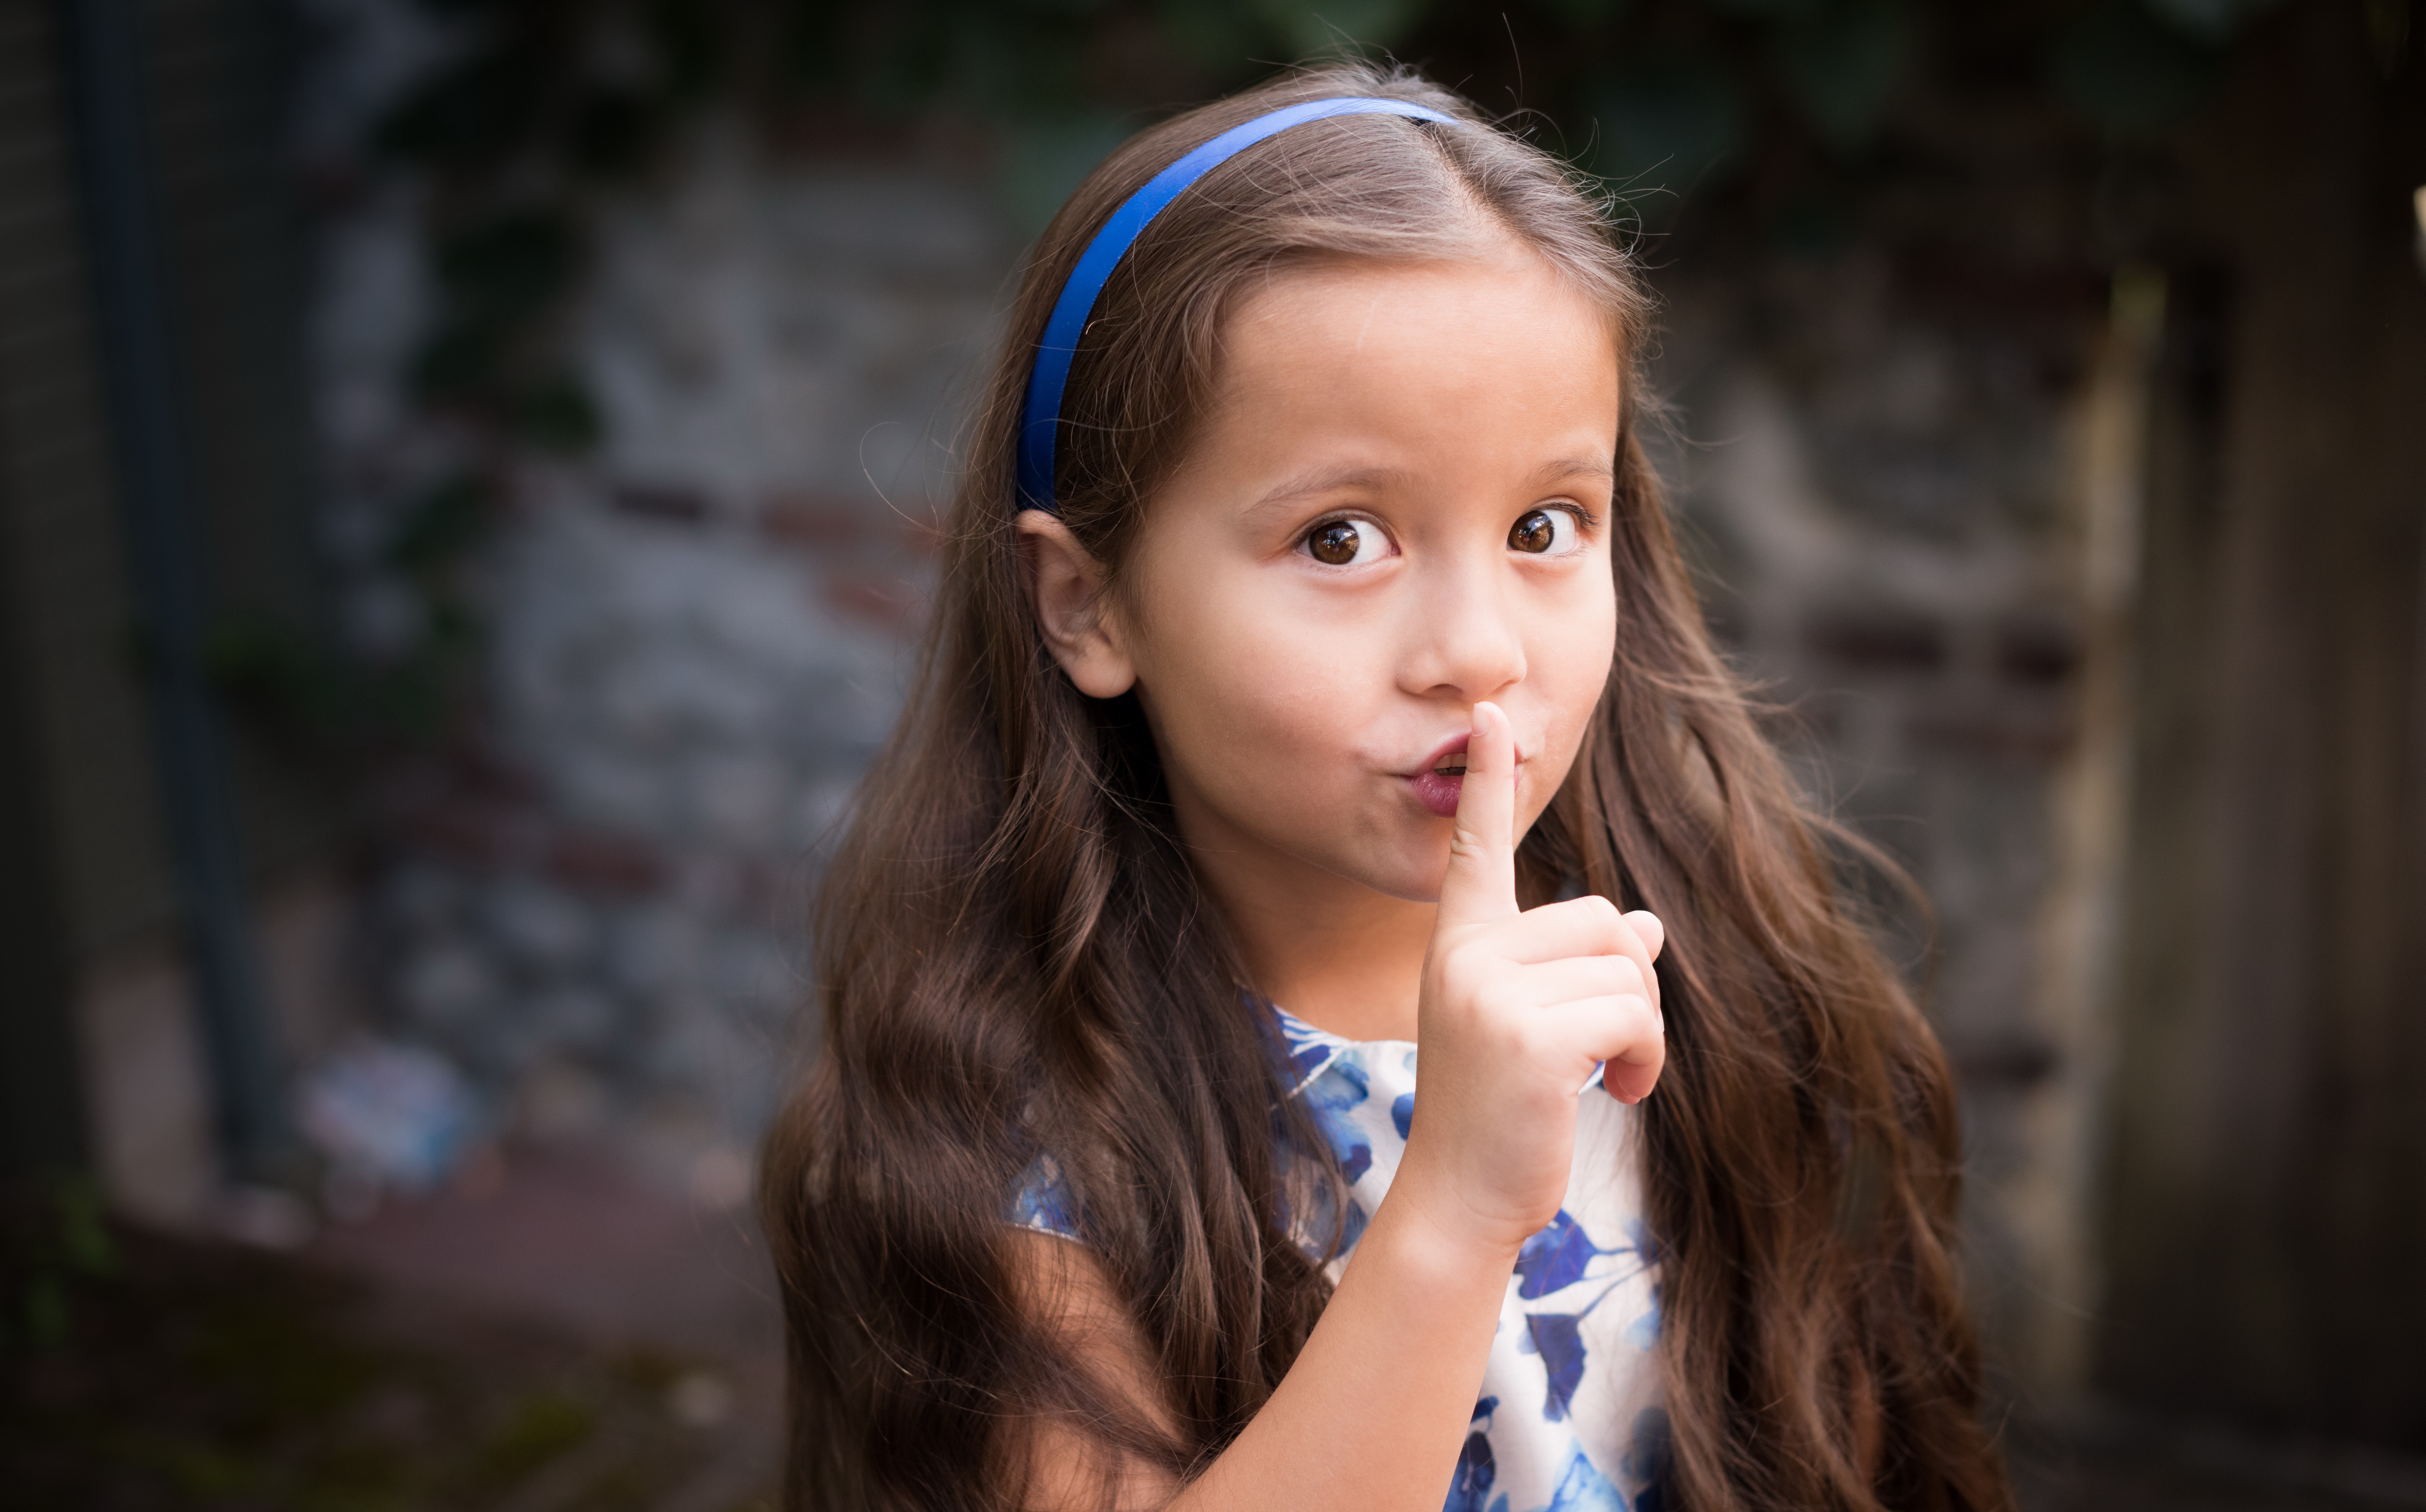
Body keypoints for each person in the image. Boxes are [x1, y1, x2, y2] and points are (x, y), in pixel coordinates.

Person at [760, 59, 2013, 1512]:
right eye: (1341, 541)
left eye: (1546, 522)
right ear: (1086, 604)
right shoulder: (1014, 1139)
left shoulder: (1704, 992)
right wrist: (1456, 1209)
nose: (1478, 652)